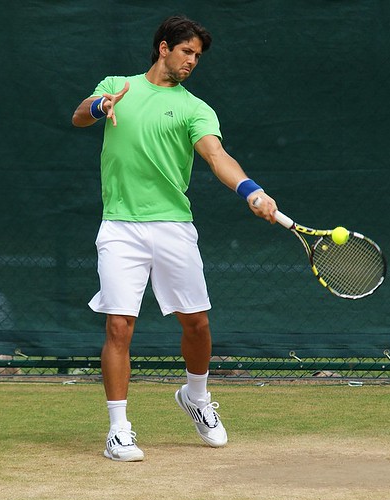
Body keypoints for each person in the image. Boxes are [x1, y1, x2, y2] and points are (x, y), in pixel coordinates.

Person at [72, 15, 278, 462]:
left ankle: (196, 396)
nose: (192, 62)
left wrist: (251, 190)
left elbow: (216, 155)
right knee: (118, 324)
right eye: (187, 51)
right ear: (163, 48)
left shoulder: (195, 108)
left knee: (197, 323)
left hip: (172, 226)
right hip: (120, 226)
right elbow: (78, 116)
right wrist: (99, 106)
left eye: (198, 56)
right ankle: (118, 429)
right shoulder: (117, 85)